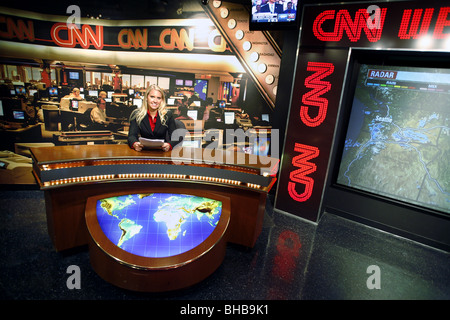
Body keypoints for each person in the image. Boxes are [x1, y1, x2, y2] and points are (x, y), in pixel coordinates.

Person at [128, 84, 182, 152]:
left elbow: (175, 137)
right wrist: (135, 144)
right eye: (152, 97)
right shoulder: (137, 114)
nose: (155, 101)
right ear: (147, 98)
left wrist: (169, 145)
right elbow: (131, 136)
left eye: (158, 98)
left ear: (161, 100)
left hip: (161, 152)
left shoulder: (167, 115)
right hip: (143, 151)